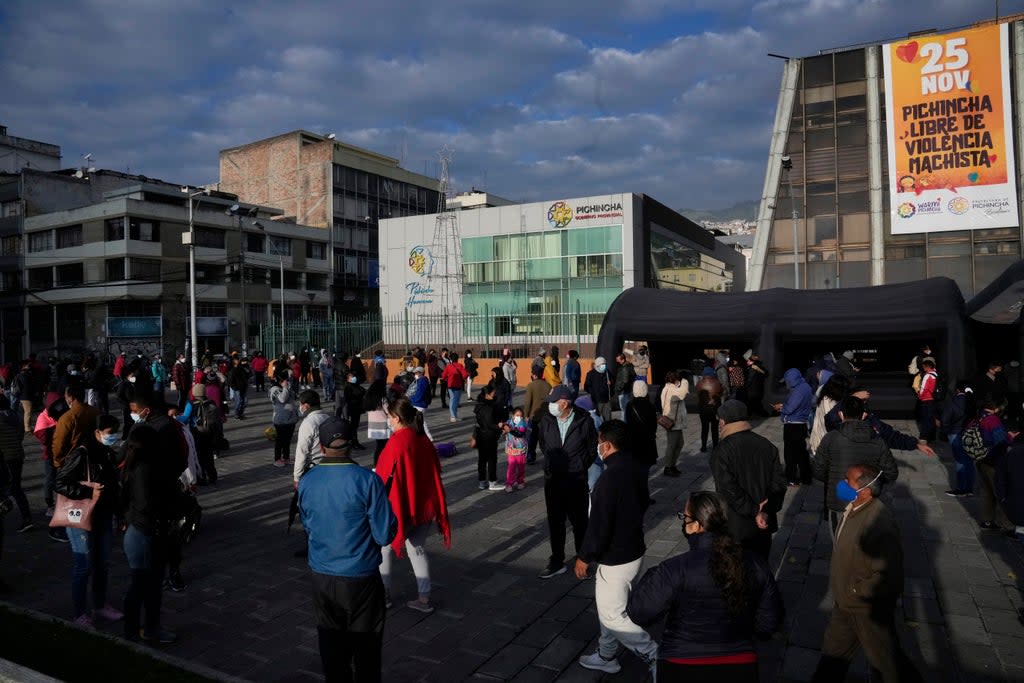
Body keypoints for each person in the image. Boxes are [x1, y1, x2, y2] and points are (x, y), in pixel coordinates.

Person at [628, 491, 784, 682]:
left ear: (696, 525)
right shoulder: (756, 563)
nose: (683, 523)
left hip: (681, 665)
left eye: (684, 517)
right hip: (740, 665)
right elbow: (768, 623)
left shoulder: (674, 569)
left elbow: (639, 612)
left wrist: (653, 575)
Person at [298, 416, 396, 683]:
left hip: (322, 573)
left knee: (332, 650)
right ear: (352, 444)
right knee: (366, 651)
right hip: (361, 577)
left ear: (321, 447)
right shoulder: (367, 481)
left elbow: (307, 523)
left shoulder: (308, 481)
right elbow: (385, 533)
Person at [812, 465, 922, 682]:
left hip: (865, 609)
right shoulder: (853, 507)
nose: (842, 484)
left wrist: (855, 591)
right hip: (845, 604)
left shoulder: (879, 523)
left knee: (889, 664)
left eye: (848, 481)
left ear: (865, 491)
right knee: (832, 658)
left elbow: (889, 576)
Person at [575, 419, 658, 675]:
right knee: (609, 606)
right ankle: (606, 654)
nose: (598, 446)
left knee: (613, 615)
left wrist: (585, 556)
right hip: (633, 548)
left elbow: (599, 524)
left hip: (616, 557)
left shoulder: (609, 478)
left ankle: (655, 656)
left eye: (600, 442)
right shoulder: (635, 466)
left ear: (608, 445)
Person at [376, 397, 452, 614]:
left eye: (389, 418)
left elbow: (383, 478)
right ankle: (424, 598)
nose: (388, 422)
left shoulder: (397, 442)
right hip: (425, 505)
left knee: (385, 550)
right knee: (417, 550)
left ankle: (384, 596)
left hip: (404, 507)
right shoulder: (422, 439)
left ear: (397, 418)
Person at [56, 414, 123, 627]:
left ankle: (100, 605)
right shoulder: (81, 453)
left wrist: (119, 511)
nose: (113, 437)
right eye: (110, 433)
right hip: (80, 513)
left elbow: (114, 486)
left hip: (103, 515)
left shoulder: (107, 452)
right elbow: (61, 482)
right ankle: (79, 613)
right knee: (83, 564)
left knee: (102, 563)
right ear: (97, 433)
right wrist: (88, 490)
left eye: (114, 432)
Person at [120, 422, 178, 643]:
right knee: (143, 585)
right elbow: (145, 504)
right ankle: (136, 631)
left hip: (142, 530)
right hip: (144, 532)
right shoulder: (143, 468)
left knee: (149, 585)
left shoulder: (137, 464)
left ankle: (145, 629)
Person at [711, 400, 787, 560]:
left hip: (735, 525)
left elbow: (727, 488)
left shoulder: (722, 450)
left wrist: (754, 510)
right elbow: (779, 485)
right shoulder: (767, 445)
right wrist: (765, 511)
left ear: (724, 421)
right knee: (761, 568)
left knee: (736, 573)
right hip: (763, 524)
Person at [813, 395, 899, 536]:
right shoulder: (878, 440)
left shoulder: (831, 438)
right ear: (864, 415)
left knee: (839, 544)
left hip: (838, 500)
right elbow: (891, 473)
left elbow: (818, 470)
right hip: (866, 501)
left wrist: (834, 480)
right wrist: (869, 484)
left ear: (840, 414)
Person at [535, 385, 597, 579]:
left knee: (580, 523)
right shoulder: (546, 419)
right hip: (553, 479)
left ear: (565, 402)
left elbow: (591, 448)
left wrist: (579, 465)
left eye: (554, 401)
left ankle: (583, 559)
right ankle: (557, 561)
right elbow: (544, 445)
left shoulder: (583, 420)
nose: (551, 405)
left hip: (576, 479)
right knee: (555, 522)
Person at [975, 399, 1014, 531]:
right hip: (994, 460)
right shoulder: (993, 420)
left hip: (981, 459)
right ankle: (1008, 526)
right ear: (995, 408)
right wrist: (1011, 437)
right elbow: (1000, 441)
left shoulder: (979, 416)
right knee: (1001, 492)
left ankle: (987, 521)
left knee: (987, 491)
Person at [774, 368, 814, 487]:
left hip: (793, 425)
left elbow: (790, 408)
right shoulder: (805, 387)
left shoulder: (798, 391)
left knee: (790, 454)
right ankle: (806, 478)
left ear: (791, 380)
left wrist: (781, 408)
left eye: (786, 381)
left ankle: (791, 478)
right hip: (801, 424)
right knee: (801, 453)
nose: (786, 383)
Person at [177, 384, 220, 486]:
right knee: (208, 455)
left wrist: (176, 418)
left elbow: (186, 418)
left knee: (199, 456)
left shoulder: (191, 404)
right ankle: (212, 476)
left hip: (197, 433)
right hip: (209, 433)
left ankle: (202, 477)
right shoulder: (211, 402)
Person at [0, 396, 32, 533]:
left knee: (8, 488)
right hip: (18, 455)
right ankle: (26, 517)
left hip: (4, 457)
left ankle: (23, 516)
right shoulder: (16, 416)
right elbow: (20, 435)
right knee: (16, 487)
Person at [293, 389, 334, 489]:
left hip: (314, 467)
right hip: (331, 464)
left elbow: (302, 452)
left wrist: (297, 477)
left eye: (301, 404)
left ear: (306, 406)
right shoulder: (328, 418)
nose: (300, 407)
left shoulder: (308, 423)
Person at [942, 381, 976, 497]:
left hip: (956, 432)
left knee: (960, 461)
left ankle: (962, 488)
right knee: (969, 461)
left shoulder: (953, 401)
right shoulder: (972, 401)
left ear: (957, 390)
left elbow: (945, 419)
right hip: (970, 433)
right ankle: (969, 487)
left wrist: (945, 430)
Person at [809, 373, 849, 456]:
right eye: (843, 389)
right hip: (824, 443)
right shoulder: (828, 402)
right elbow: (832, 422)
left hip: (822, 440)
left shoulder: (824, 391)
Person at [473, 384, 504, 491]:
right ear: (487, 395)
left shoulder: (479, 405)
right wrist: (499, 426)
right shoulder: (488, 408)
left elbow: (478, 423)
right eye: (493, 394)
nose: (494, 395)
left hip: (481, 435)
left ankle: (482, 481)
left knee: (482, 459)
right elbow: (490, 424)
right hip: (489, 436)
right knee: (491, 459)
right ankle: (492, 482)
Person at [660, 371, 688, 477]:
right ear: (674, 380)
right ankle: (668, 467)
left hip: (675, 422)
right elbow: (683, 394)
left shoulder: (668, 388)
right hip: (672, 422)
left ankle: (672, 465)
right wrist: (685, 382)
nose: (680, 382)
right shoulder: (672, 389)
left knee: (679, 443)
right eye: (678, 380)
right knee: (672, 445)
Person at [625, 380, 658, 467]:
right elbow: (654, 424)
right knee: (646, 467)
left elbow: (628, 422)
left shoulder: (630, 405)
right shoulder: (650, 405)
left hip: (634, 440)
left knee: (636, 465)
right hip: (648, 440)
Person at [270, 373, 298, 467]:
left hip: (290, 419)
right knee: (280, 440)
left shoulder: (287, 388)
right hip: (281, 420)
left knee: (287, 440)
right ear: (280, 381)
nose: (288, 382)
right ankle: (277, 459)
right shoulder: (274, 389)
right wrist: (285, 388)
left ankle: (286, 458)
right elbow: (282, 399)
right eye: (286, 380)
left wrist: (288, 388)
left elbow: (293, 398)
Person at [523, 368, 549, 465]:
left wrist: (526, 415)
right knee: (544, 438)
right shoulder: (548, 385)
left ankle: (531, 457)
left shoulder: (531, 385)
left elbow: (527, 402)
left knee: (532, 438)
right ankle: (547, 457)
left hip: (533, 416)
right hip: (545, 416)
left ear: (534, 375)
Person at [696, 367, 723, 453]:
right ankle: (715, 446)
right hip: (715, 410)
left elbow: (698, 394)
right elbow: (722, 392)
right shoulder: (717, 382)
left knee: (704, 428)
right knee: (714, 428)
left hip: (703, 410)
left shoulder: (699, 383)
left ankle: (703, 446)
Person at [502, 407, 529, 492]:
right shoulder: (508, 423)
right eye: (517, 415)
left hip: (521, 449)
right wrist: (503, 427)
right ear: (513, 415)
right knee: (511, 467)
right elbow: (503, 429)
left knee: (521, 467)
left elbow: (520, 433)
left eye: (521, 416)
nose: (519, 417)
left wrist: (510, 430)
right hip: (511, 450)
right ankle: (509, 484)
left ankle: (520, 481)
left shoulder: (523, 424)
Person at [340, 370, 368, 449]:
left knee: (355, 426)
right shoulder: (348, 387)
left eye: (354, 377)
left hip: (357, 409)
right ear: (348, 378)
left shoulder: (356, 385)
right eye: (352, 377)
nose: (354, 378)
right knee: (353, 426)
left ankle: (352, 441)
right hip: (352, 409)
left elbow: (363, 391)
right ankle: (353, 442)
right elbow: (349, 398)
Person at [441, 353, 468, 423]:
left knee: (452, 400)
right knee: (456, 401)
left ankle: (453, 416)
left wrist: (448, 378)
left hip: (450, 385)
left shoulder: (448, 366)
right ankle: (454, 416)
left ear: (451, 359)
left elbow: (443, 376)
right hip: (458, 386)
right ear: (457, 359)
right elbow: (465, 375)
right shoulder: (460, 366)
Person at [583, 356, 612, 422]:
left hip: (607, 400)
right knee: (596, 419)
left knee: (608, 420)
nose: (604, 366)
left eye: (605, 364)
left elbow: (613, 384)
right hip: (596, 401)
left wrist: (611, 383)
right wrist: (593, 393)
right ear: (597, 365)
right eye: (602, 364)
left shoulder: (607, 373)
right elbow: (586, 387)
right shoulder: (590, 374)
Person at [743, 350, 768, 417]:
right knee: (756, 404)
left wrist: (745, 388)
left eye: (748, 361)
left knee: (753, 404)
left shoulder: (753, 368)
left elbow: (749, 380)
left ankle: (763, 415)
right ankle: (761, 415)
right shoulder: (756, 366)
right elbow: (766, 374)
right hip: (757, 389)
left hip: (753, 390)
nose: (747, 362)